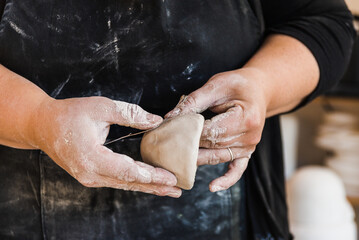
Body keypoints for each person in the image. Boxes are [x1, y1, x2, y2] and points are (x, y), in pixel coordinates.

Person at [0, 0, 355, 239]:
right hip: (25, 208)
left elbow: (323, 24)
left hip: (224, 211)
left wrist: (263, 86)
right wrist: (35, 118)